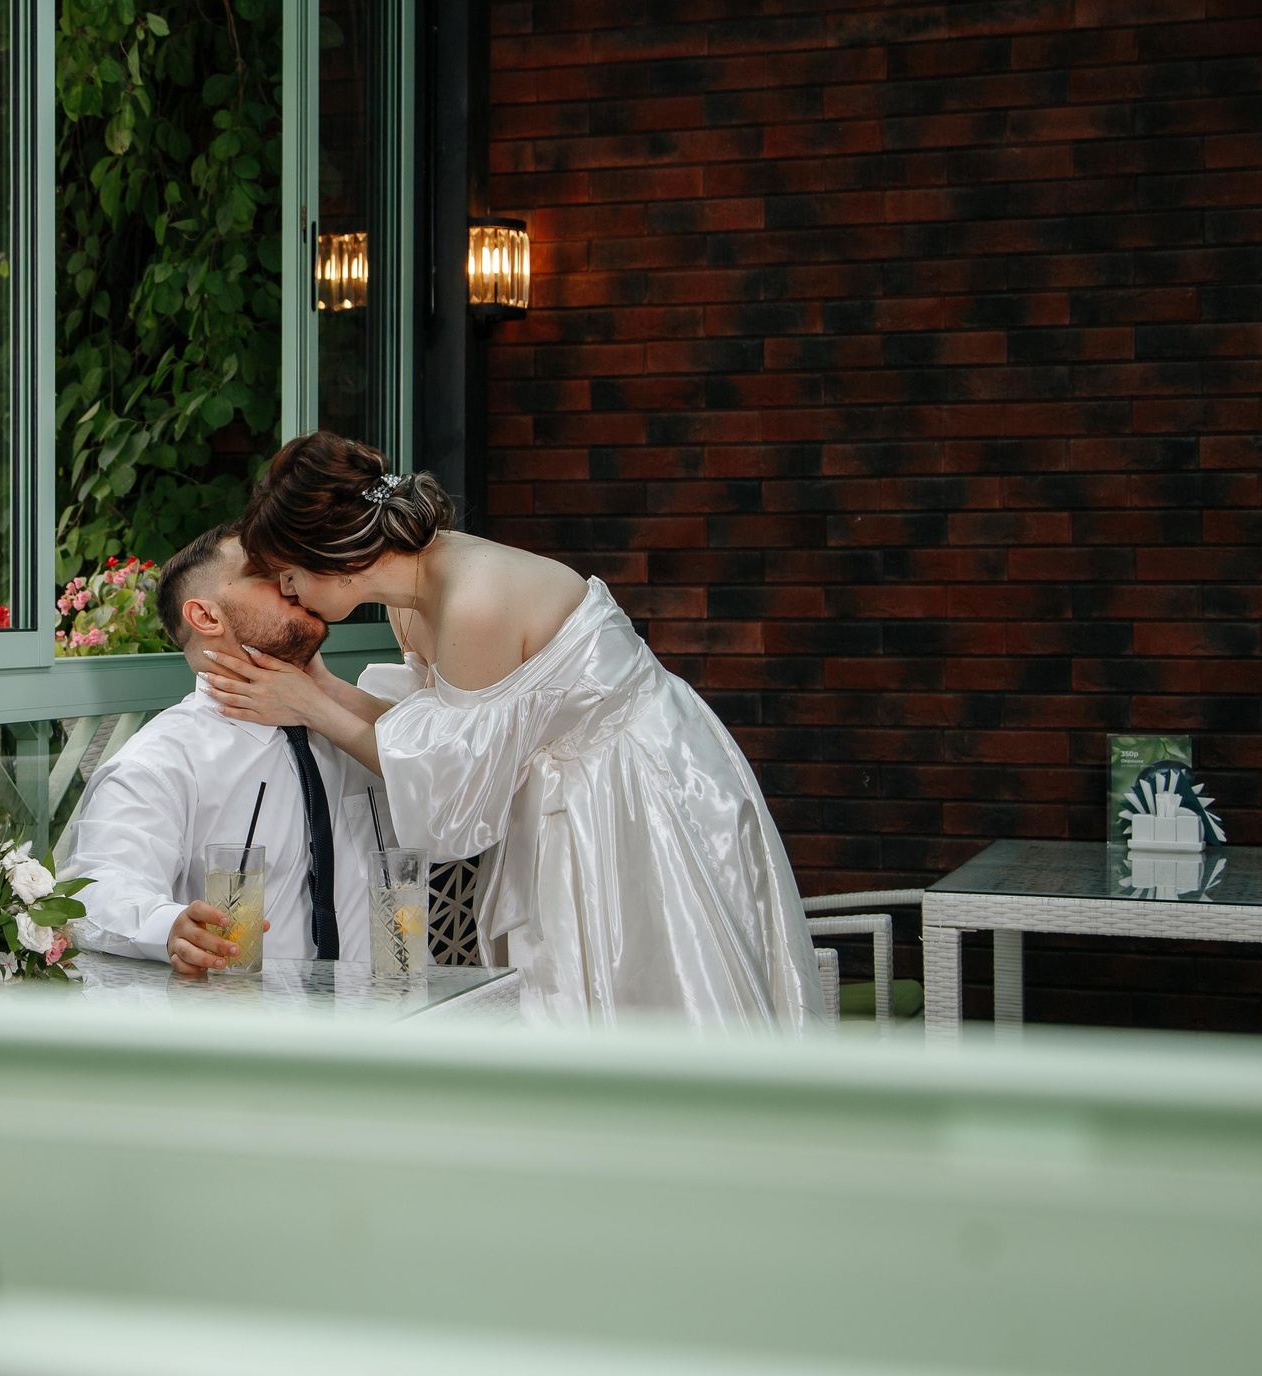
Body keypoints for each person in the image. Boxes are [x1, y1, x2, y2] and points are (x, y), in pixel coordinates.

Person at [201, 431, 822, 1027]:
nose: (286, 590)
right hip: (563, 783)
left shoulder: (474, 602)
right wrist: (322, 687)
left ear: (335, 556)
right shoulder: (408, 595)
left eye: (288, 572)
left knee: (658, 992)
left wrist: (311, 708)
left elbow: (451, 793)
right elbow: (433, 738)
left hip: (629, 788)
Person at [58, 523, 391, 977]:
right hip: (253, 1029)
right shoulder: (161, 761)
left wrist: (327, 696)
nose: (294, 582)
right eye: (266, 573)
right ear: (207, 618)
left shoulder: (361, 731)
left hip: (402, 1025)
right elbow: (92, 891)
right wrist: (169, 926)